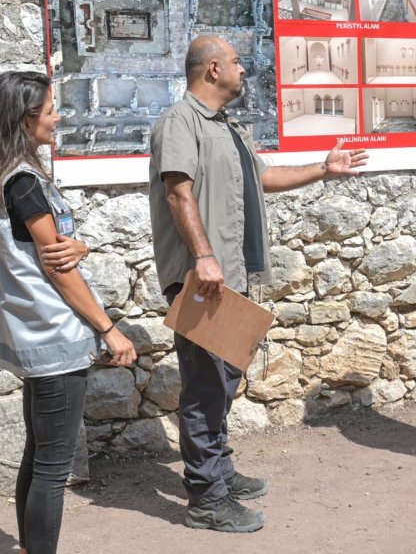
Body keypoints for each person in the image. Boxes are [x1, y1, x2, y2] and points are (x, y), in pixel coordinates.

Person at [150, 35, 367, 533]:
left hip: (229, 274)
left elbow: (262, 179)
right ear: (211, 69)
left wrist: (323, 169)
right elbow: (178, 194)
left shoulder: (228, 127)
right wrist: (203, 257)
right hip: (201, 278)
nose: (243, 70)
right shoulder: (178, 123)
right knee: (206, 387)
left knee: (222, 380)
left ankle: (220, 471)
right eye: (236, 63)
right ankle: (207, 498)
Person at [0, 70, 137, 554]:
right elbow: (57, 269)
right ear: (24, 120)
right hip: (55, 337)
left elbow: (50, 249)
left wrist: (73, 244)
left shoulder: (0, 176)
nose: (57, 118)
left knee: (38, 455)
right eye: (49, 110)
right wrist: (109, 329)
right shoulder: (23, 183)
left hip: (32, 336)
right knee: (53, 465)